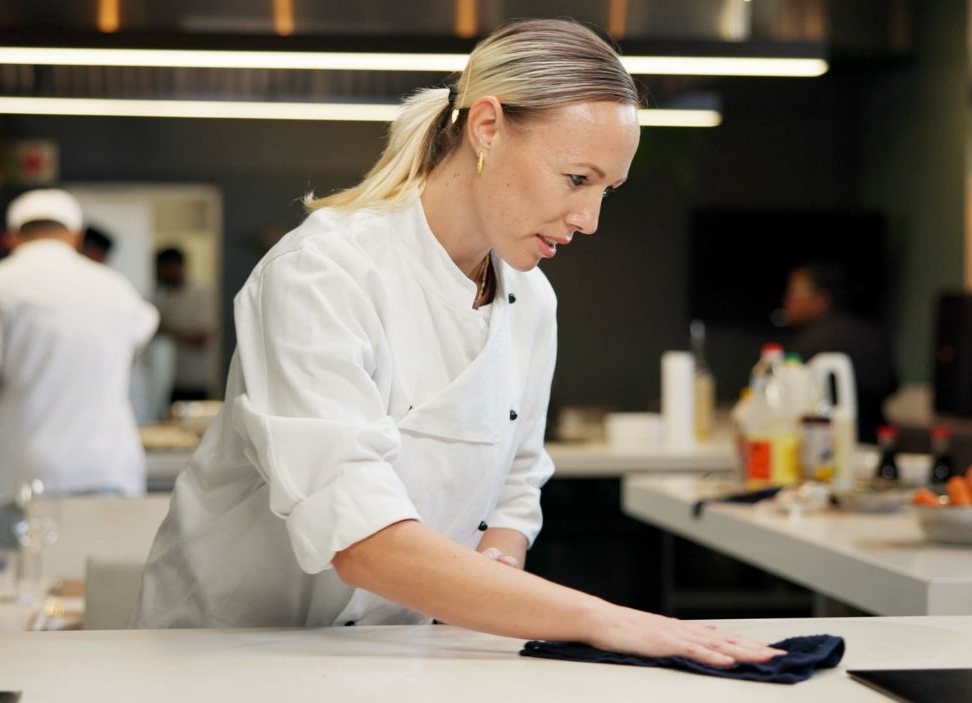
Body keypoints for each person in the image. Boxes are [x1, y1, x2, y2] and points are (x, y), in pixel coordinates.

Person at [134, 18, 781, 667]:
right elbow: (359, 535)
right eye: (577, 180)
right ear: (488, 128)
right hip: (228, 655)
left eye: (606, 191)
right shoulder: (323, 272)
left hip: (391, 654)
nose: (589, 221)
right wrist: (598, 618)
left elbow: (516, 480)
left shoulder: (531, 301)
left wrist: (497, 566)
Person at [0, 189, 159, 557]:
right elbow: (144, 326)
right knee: (103, 605)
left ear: (12, 236)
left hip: (27, 477)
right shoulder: (116, 288)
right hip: (110, 473)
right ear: (76, 235)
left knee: (9, 605)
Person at [782, 263, 898, 443]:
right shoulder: (872, 333)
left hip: (826, 444)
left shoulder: (809, 343)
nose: (787, 300)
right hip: (875, 439)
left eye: (793, 292)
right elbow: (892, 384)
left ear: (821, 298)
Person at [153, 247, 214, 402]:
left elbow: (203, 338)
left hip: (201, 381)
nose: (160, 274)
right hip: (177, 380)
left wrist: (167, 331)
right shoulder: (164, 295)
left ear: (176, 266)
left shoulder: (201, 294)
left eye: (163, 269)